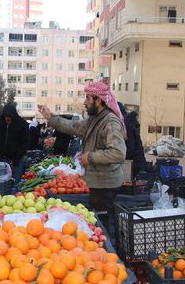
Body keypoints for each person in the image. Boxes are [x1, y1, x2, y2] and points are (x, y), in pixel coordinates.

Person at [38, 81, 126, 239]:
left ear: (98, 100)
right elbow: (73, 127)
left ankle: (105, 252)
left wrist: (90, 157)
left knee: (102, 224)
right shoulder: (95, 119)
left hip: (105, 183)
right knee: (97, 221)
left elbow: (118, 153)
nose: (85, 102)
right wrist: (51, 117)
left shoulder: (110, 122)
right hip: (97, 181)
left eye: (88, 98)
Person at [0, 104, 30, 181]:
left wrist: (17, 157)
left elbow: (25, 143)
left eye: (9, 116)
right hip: (1, 158)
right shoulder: (1, 122)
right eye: (6, 116)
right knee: (1, 181)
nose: (7, 118)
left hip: (16, 160)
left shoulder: (22, 124)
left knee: (15, 181)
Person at [118, 102, 147, 178]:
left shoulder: (126, 127)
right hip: (135, 162)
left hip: (132, 164)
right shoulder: (128, 123)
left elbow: (130, 148)